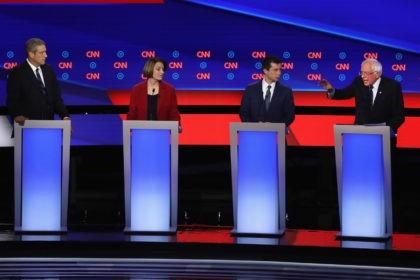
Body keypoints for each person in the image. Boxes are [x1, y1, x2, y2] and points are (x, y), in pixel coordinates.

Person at [318, 58, 405, 136]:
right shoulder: (358, 82)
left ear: (377, 74)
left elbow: (399, 116)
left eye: (366, 73)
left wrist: (387, 131)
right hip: (360, 134)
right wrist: (330, 89)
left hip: (383, 136)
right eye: (361, 72)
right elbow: (343, 94)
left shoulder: (392, 86)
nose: (363, 76)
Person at [6, 38, 70, 127]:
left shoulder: (49, 70)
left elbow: (56, 98)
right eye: (42, 53)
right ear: (31, 54)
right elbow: (13, 99)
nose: (46, 55)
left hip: (48, 126)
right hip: (27, 127)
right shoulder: (17, 72)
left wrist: (65, 116)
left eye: (45, 52)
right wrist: (16, 115)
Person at [240, 55, 295, 127]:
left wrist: (274, 127)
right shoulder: (250, 89)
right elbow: (244, 113)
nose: (279, 73)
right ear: (265, 70)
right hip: (254, 135)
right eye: (275, 70)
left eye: (280, 70)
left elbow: (290, 116)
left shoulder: (286, 91)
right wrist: (255, 126)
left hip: (277, 135)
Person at [127, 57, 181, 127]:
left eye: (163, 69)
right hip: (141, 132)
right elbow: (132, 113)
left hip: (162, 132)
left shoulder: (169, 89)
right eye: (158, 69)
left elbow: (173, 113)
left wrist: (177, 126)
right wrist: (128, 127)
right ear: (150, 69)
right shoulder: (137, 89)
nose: (162, 72)